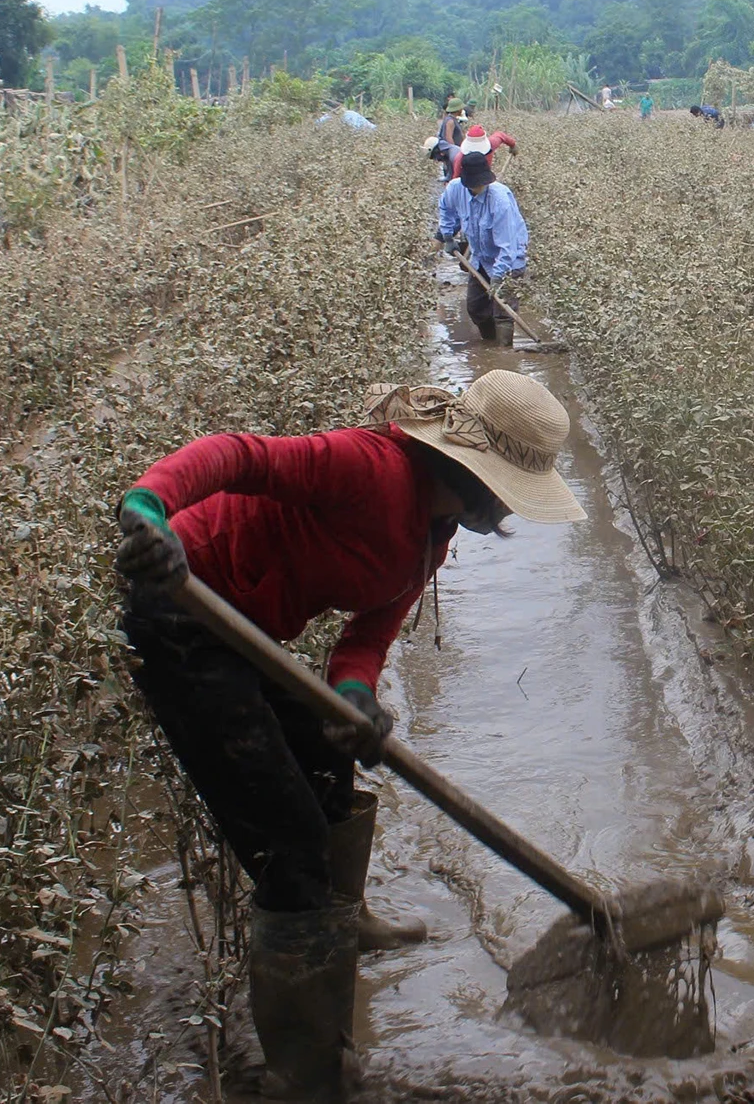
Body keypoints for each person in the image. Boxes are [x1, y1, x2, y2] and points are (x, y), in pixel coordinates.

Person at [113, 371, 585, 1101]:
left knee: (331, 763)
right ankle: (306, 1074)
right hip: (184, 608)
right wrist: (149, 509)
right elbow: (238, 454)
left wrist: (354, 698)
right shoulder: (367, 468)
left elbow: (367, 637)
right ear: (484, 478)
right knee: (291, 846)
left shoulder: (433, 536)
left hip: (249, 630)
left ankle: (346, 920)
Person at [435, 150, 528, 344]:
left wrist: (498, 276)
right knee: (476, 308)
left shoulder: (500, 201)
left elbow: (508, 247)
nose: (480, 186)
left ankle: (504, 354)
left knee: (503, 311)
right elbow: (445, 208)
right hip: (480, 258)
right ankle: (489, 343)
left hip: (509, 261)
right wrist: (447, 234)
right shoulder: (455, 189)